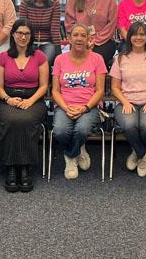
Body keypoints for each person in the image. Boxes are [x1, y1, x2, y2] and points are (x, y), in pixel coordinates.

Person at [0, 19, 49, 192]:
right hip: (8, 99)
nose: (23, 36)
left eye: (26, 33)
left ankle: (25, 167)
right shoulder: (3, 57)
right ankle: (11, 167)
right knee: (11, 120)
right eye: (19, 33)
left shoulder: (39, 56)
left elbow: (44, 86)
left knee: (25, 120)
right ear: (13, 34)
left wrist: (30, 101)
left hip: (34, 100)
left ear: (31, 36)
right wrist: (8, 99)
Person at [109, 22, 146, 177]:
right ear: (129, 37)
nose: (138, 37)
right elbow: (115, 86)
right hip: (126, 101)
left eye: (142, 34)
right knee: (129, 125)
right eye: (135, 34)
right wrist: (125, 102)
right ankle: (143, 153)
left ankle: (136, 152)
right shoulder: (120, 58)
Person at [52, 24, 106, 179]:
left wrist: (84, 108)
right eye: (75, 35)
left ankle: (70, 156)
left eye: (83, 35)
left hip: (89, 105)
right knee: (61, 131)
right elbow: (55, 90)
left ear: (89, 39)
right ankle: (78, 149)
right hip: (64, 105)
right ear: (69, 38)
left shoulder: (97, 59)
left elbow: (100, 90)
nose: (79, 38)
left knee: (82, 130)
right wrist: (66, 107)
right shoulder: (59, 59)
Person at [65, 0, 118, 68]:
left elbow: (112, 23)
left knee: (94, 59)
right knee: (78, 58)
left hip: (103, 42)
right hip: (79, 41)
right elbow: (69, 24)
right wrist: (83, 39)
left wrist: (95, 41)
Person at [18, 0, 62, 66]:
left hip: (48, 43)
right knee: (29, 64)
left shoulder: (55, 4)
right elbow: (22, 29)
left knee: (43, 63)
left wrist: (59, 53)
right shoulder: (25, 3)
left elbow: (54, 30)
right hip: (29, 42)